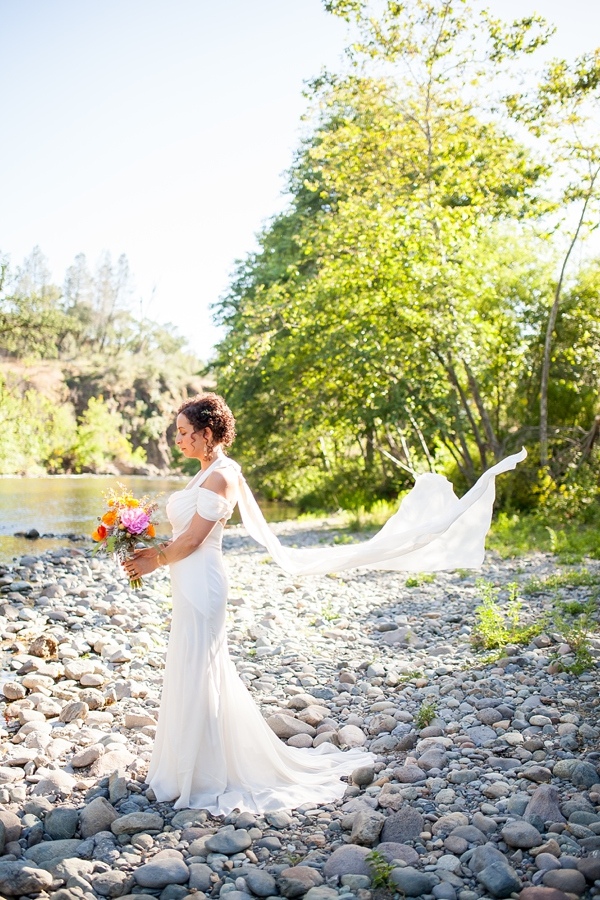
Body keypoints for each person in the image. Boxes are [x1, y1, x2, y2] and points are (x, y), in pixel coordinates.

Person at [125, 392, 526, 814]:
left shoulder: (223, 475)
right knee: (191, 664)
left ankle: (204, 772)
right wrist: (144, 545)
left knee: (201, 666)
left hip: (203, 582)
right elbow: (181, 533)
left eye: (185, 433)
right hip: (186, 579)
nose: (178, 440)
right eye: (178, 434)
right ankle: (188, 764)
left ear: (208, 434)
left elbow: (193, 539)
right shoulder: (203, 472)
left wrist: (156, 559)